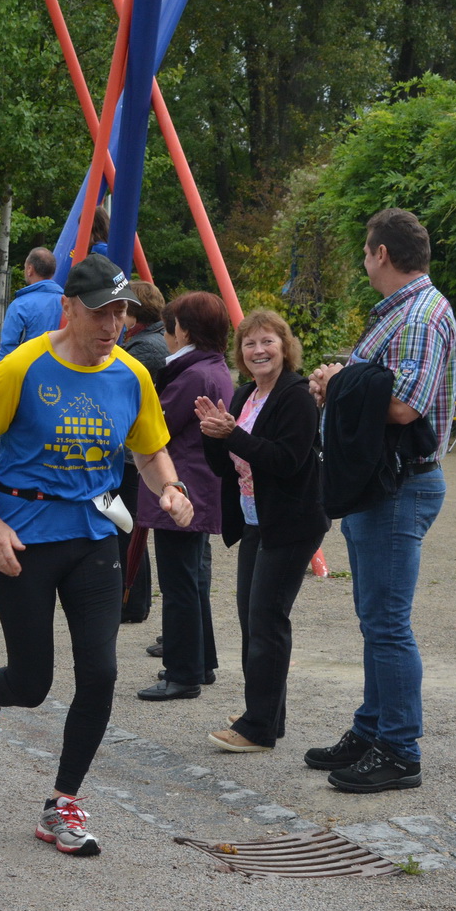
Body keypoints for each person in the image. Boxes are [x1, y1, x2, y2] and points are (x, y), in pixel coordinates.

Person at [0, 254, 193, 857]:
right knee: (32, 682)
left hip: (94, 536)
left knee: (101, 672)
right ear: (68, 308)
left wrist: (170, 487)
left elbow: (149, 450)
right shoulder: (23, 367)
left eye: (121, 312)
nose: (112, 324)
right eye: (100, 312)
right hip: (23, 536)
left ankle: (62, 802)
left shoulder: (130, 374)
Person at [303, 208, 456, 793]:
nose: (364, 262)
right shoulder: (404, 311)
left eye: (366, 252)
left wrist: (336, 382)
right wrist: (340, 379)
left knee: (387, 624)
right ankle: (372, 730)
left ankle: (399, 750)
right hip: (382, 484)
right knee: (376, 620)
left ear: (382, 254)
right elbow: (379, 387)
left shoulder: (417, 316)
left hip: (399, 486)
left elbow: (403, 406)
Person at [197, 311, 329, 752]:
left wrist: (232, 434)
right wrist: (212, 435)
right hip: (256, 520)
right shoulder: (245, 395)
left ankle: (257, 728)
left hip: (291, 522)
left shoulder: (296, 396)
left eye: (267, 341)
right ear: (240, 353)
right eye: (250, 344)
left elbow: (286, 461)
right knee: (252, 621)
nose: (259, 351)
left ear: (284, 346)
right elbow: (224, 468)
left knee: (267, 621)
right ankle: (268, 714)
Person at [135, 292, 232, 701]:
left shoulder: (193, 375)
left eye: (171, 326)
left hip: (182, 488)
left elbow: (154, 427)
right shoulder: (212, 367)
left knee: (179, 584)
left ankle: (183, 673)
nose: (166, 335)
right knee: (192, 580)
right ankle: (199, 661)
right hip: (200, 486)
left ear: (185, 331)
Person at [118, 279, 167, 626]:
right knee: (129, 526)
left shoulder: (144, 349)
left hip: (132, 455)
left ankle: (132, 602)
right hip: (134, 453)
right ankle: (131, 599)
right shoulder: (150, 341)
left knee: (127, 528)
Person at [0, 247, 63, 360]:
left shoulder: (20, 305)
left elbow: (8, 349)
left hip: (28, 367)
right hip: (63, 367)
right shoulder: (68, 303)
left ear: (29, 269)